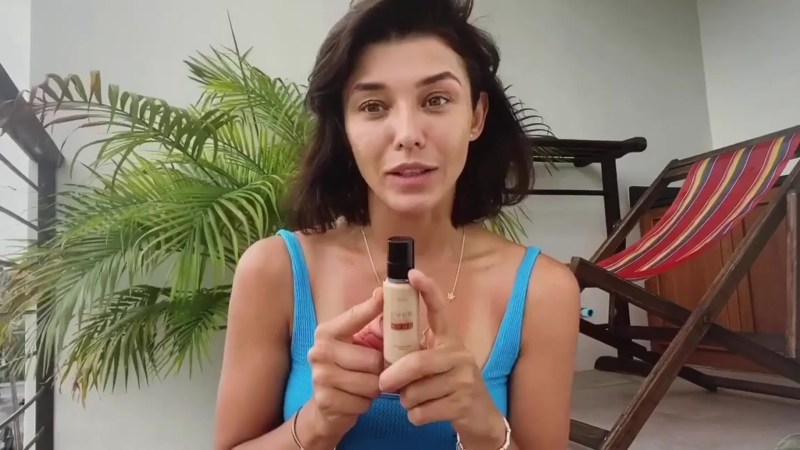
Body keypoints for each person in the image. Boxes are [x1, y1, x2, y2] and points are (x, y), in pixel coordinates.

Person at [213, 0, 580, 448]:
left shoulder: (543, 291)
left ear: (476, 116)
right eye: (373, 105)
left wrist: (483, 426)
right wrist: (317, 423)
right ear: (345, 127)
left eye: (436, 100)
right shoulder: (275, 271)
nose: (407, 134)